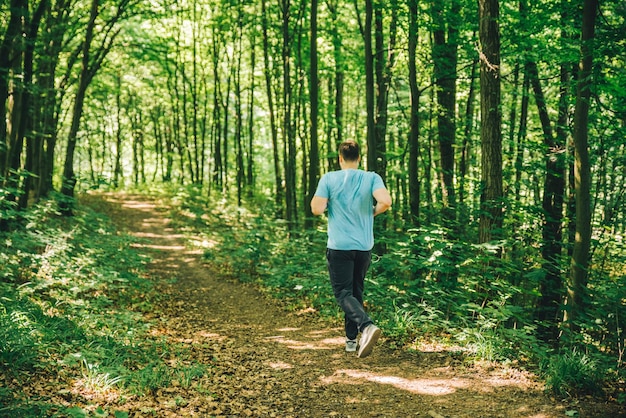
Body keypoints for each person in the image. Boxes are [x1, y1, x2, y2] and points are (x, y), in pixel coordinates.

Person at [310, 141, 392, 358]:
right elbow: (386, 201)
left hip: (339, 246)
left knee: (343, 293)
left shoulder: (329, 179)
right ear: (359, 158)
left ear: (340, 158)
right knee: (355, 292)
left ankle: (366, 326)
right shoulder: (371, 177)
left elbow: (316, 209)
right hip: (363, 247)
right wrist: (372, 212)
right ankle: (351, 341)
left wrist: (331, 204)